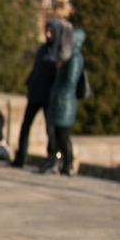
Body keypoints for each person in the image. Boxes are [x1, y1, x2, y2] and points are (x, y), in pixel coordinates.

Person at [11, 21, 63, 168]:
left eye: (51, 32)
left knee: (50, 130)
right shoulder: (42, 50)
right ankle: (20, 157)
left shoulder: (59, 54)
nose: (48, 34)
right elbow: (36, 70)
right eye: (47, 31)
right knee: (25, 127)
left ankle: (52, 159)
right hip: (35, 94)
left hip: (48, 98)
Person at [41, 24, 85, 176]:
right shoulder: (67, 56)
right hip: (60, 102)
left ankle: (68, 164)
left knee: (63, 136)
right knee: (57, 135)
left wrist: (58, 94)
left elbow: (70, 82)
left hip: (65, 103)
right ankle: (59, 163)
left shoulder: (75, 58)